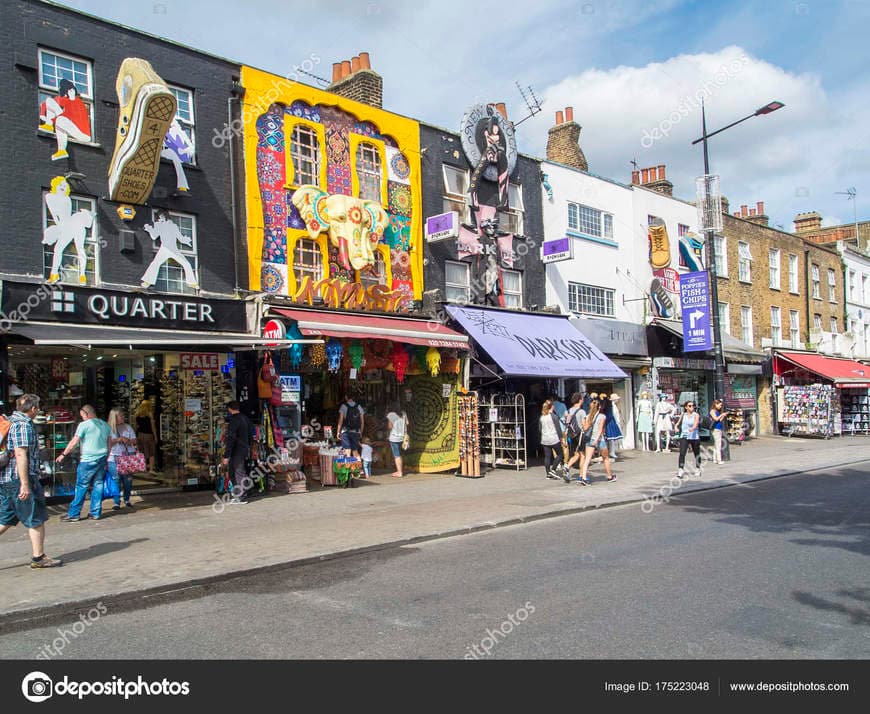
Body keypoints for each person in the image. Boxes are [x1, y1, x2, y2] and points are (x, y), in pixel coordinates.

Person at [0, 394, 62, 568]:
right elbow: (20, 454)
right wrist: (25, 484)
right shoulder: (22, 426)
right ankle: (39, 557)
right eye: (38, 407)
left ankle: (39, 556)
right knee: (36, 518)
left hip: (7, 479)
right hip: (19, 480)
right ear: (33, 409)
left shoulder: (10, 421)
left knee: (5, 519)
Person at [59, 405, 112, 522]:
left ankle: (74, 514)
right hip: (102, 458)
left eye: (82, 415)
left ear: (86, 413)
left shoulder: (84, 425)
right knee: (98, 484)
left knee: (81, 486)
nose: (82, 417)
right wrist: (107, 459)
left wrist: (63, 454)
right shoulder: (105, 425)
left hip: (88, 460)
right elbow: (109, 444)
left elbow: (74, 442)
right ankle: (95, 513)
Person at [578, 395, 615, 485]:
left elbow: (585, 428)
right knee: (605, 458)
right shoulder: (602, 416)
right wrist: (596, 440)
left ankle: (583, 477)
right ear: (599, 407)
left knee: (587, 459)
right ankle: (610, 476)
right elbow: (600, 430)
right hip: (599, 440)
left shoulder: (587, 416)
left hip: (589, 439)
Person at [222, 401, 253, 504]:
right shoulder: (245, 418)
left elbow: (231, 439)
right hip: (244, 449)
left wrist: (226, 455)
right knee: (233, 472)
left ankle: (241, 496)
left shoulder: (234, 420)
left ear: (230, 409)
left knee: (238, 472)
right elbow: (251, 434)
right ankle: (239, 493)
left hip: (237, 450)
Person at [107, 408, 137, 510]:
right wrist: (118, 439)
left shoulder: (127, 427)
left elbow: (135, 440)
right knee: (116, 480)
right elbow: (107, 443)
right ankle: (116, 502)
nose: (123, 417)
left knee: (127, 480)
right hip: (113, 457)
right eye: (121, 416)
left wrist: (128, 441)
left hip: (126, 456)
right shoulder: (108, 429)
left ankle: (127, 499)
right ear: (114, 417)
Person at [561, 392, 587, 481]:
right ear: (580, 400)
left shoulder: (567, 411)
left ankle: (567, 467)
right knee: (583, 455)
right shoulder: (582, 411)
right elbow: (584, 425)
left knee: (576, 454)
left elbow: (565, 424)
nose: (583, 400)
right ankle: (581, 476)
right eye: (582, 398)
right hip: (580, 435)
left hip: (572, 435)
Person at [539, 399, 565, 480]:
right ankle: (553, 469)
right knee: (560, 454)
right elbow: (558, 429)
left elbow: (540, 429)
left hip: (545, 439)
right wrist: (562, 439)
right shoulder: (554, 416)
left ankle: (548, 473)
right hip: (554, 439)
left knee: (547, 456)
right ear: (552, 407)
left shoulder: (542, 417)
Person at [675, 400, 702, 478]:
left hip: (694, 436)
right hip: (684, 436)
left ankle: (698, 469)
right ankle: (680, 470)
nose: (692, 407)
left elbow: (696, 424)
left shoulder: (696, 415)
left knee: (696, 453)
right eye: (689, 406)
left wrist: (693, 428)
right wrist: (676, 427)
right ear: (686, 407)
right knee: (682, 453)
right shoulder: (683, 414)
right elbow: (678, 423)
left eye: (693, 406)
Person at [134, 396, 159, 473]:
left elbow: (135, 427)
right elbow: (153, 427)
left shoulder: (137, 415)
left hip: (140, 435)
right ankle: (151, 469)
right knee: (151, 452)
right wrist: (155, 436)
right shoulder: (149, 415)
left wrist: (135, 436)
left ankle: (143, 468)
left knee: (143, 452)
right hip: (149, 435)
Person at [337, 393, 365, 458]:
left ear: (346, 397)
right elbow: (362, 422)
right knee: (355, 451)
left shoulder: (343, 406)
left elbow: (340, 421)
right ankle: (359, 467)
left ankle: (348, 467)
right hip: (356, 431)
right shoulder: (359, 406)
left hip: (346, 431)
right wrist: (361, 432)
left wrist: (338, 432)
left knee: (348, 451)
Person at [386, 402, 409, 478]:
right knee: (399, 454)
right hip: (402, 437)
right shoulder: (404, 413)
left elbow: (389, 426)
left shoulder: (391, 415)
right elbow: (407, 423)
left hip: (394, 437)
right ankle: (399, 470)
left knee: (396, 455)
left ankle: (399, 472)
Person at [604, 394, 623, 459]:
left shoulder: (613, 405)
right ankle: (611, 452)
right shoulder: (611, 406)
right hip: (612, 422)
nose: (618, 400)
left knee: (612, 439)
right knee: (611, 438)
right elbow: (614, 415)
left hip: (614, 421)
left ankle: (612, 451)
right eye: (617, 399)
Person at [709, 399, 727, 465]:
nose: (720, 406)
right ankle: (719, 460)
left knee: (716, 445)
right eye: (720, 405)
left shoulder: (717, 411)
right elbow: (716, 419)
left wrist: (723, 416)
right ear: (715, 404)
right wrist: (721, 414)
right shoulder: (712, 411)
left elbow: (719, 420)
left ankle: (714, 459)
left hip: (719, 428)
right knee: (718, 445)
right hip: (715, 429)